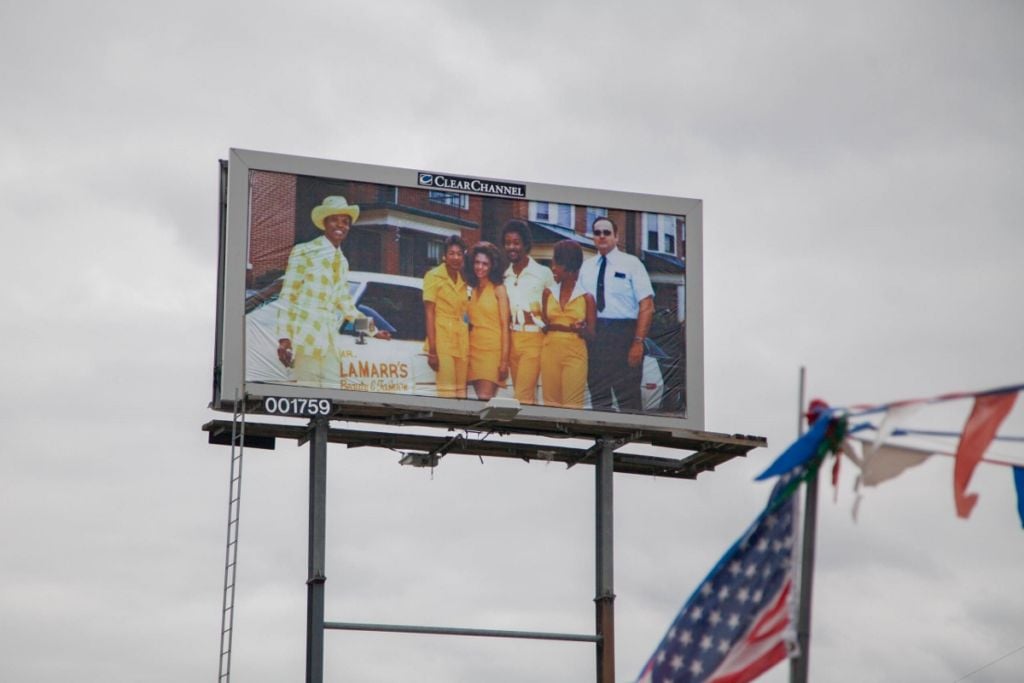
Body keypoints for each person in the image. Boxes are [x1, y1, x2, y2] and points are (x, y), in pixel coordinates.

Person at [275, 195, 389, 387]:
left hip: (330, 341)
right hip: (306, 339)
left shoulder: (343, 262)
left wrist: (373, 331)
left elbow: (346, 304)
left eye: (345, 222)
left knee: (333, 393)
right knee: (308, 395)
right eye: (334, 220)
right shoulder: (305, 251)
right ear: (324, 223)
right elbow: (288, 296)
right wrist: (284, 339)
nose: (340, 225)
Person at [578, 216, 653, 412]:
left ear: (616, 237)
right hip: (596, 337)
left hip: (625, 336)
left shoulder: (632, 264)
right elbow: (581, 304)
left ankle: (633, 440)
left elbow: (646, 305)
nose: (601, 236)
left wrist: (638, 342)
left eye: (606, 232)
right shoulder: (586, 267)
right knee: (599, 399)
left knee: (629, 400)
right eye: (597, 233)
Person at [502, 219, 555, 404]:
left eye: (516, 242)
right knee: (523, 395)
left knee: (522, 397)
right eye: (508, 243)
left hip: (534, 340)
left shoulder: (542, 273)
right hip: (512, 338)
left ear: (525, 244)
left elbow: (555, 304)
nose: (511, 247)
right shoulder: (505, 276)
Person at [540, 240, 596, 409]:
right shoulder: (548, 293)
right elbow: (545, 324)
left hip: (575, 354)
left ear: (569, 267)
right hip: (550, 351)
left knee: (573, 405)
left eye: (557, 263)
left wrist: (582, 329)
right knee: (550, 404)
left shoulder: (587, 297)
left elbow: (592, 335)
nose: (553, 268)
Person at [423, 235, 470, 398]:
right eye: (452, 253)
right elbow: (429, 313)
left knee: (461, 393)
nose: (456, 257)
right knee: (447, 394)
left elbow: (465, 314)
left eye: (459, 254)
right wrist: (433, 351)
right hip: (442, 340)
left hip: (461, 341)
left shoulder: (464, 279)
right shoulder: (433, 276)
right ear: (444, 256)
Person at [465, 241, 511, 400]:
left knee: (485, 400)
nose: (480, 267)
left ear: (492, 266)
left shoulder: (499, 289)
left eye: (485, 264)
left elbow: (506, 326)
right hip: (473, 351)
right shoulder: (473, 289)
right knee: (482, 402)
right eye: (477, 262)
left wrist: (504, 361)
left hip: (492, 353)